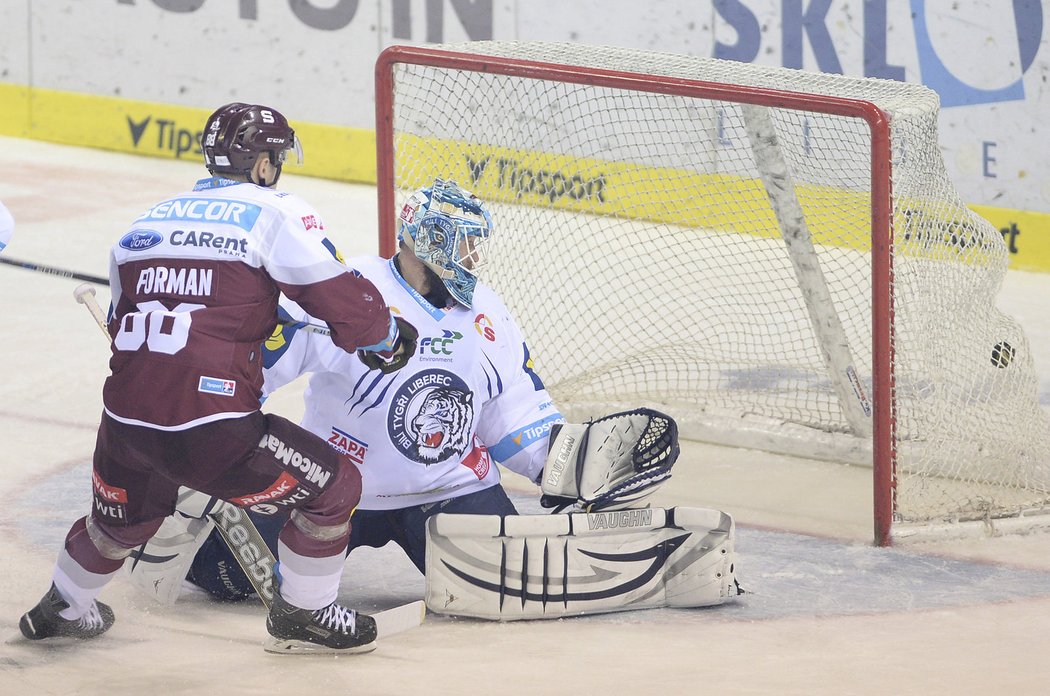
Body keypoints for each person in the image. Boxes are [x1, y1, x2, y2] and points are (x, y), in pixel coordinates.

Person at [19, 102, 417, 654]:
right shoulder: (273, 212)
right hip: (213, 424)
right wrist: (385, 336)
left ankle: (64, 604)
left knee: (120, 522)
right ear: (260, 164)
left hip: (125, 421)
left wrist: (243, 312)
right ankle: (307, 613)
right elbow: (336, 296)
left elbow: (122, 324)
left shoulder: (146, 222)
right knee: (335, 486)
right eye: (274, 158)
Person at [172, 179, 565, 601]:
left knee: (514, 587)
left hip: (449, 488)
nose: (474, 256)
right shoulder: (349, 291)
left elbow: (509, 408)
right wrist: (198, 423)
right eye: (466, 242)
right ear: (434, 242)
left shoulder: (487, 310)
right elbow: (259, 364)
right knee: (221, 577)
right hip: (331, 488)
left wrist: (562, 470)